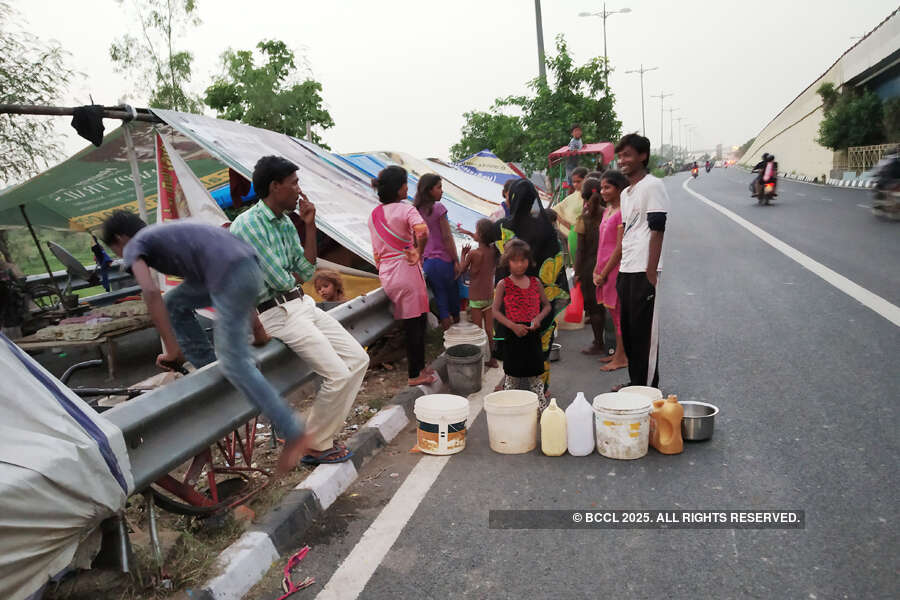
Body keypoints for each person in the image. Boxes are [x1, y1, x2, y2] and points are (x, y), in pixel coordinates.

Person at [100, 211, 309, 474]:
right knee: (174, 302)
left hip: (231, 274)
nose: (122, 257)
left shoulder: (135, 245)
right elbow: (231, 266)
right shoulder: (168, 234)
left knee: (235, 362)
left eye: (116, 250)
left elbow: (150, 292)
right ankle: (209, 365)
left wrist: (172, 349)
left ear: (120, 239)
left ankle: (292, 430)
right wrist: (258, 332)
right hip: (249, 269)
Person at [230, 156, 368, 465]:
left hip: (300, 303)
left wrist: (310, 225)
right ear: (275, 186)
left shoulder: (283, 221)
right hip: (276, 312)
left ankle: (316, 436)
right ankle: (315, 443)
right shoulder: (249, 225)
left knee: (359, 359)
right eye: (293, 184)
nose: (298, 191)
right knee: (337, 374)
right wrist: (291, 276)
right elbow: (280, 278)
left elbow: (305, 270)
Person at [494, 179, 569, 396]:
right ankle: (542, 388)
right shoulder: (546, 228)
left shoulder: (503, 227)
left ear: (513, 198)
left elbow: (499, 264)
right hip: (539, 294)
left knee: (511, 341)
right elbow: (556, 265)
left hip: (511, 296)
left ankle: (511, 383)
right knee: (540, 344)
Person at [368, 165, 437, 387]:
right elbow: (422, 231)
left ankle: (420, 367)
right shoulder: (406, 209)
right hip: (406, 269)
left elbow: (377, 253)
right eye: (405, 182)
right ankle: (415, 374)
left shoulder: (374, 214)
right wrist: (419, 251)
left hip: (387, 273)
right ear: (399, 189)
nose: (408, 187)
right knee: (415, 325)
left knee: (413, 323)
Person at [612, 133, 669, 390]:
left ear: (642, 156)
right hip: (626, 270)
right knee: (630, 332)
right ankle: (635, 384)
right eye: (620, 155)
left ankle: (647, 392)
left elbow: (657, 229)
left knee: (645, 337)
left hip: (644, 271)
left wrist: (650, 273)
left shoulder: (653, 186)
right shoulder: (625, 194)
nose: (622, 160)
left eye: (627, 155)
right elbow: (627, 232)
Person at [492, 239, 551, 408]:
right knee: (512, 378)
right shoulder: (504, 284)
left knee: (536, 379)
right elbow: (495, 311)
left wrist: (538, 318)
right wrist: (512, 326)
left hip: (532, 336)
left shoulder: (536, 283)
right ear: (507, 262)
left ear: (529, 260)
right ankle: (510, 409)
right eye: (515, 260)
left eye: (523, 260)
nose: (519, 264)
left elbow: (546, 306)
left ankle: (542, 410)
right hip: (513, 336)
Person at [593, 170, 629, 371]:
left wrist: (604, 272)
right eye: (602, 187)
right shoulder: (608, 210)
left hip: (614, 270)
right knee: (613, 314)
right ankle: (618, 353)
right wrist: (595, 271)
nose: (603, 191)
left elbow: (619, 248)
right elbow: (602, 245)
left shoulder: (623, 213)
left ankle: (622, 357)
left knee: (618, 316)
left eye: (607, 187)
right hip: (603, 270)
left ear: (618, 188)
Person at [415, 174, 460, 330]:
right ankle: (459, 335)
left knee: (441, 301)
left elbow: (416, 239)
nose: (442, 191)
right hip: (444, 261)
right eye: (439, 187)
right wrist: (456, 260)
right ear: (429, 190)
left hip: (427, 263)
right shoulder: (439, 209)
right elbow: (447, 237)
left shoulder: (416, 211)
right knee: (453, 298)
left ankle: (447, 337)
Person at [574, 177, 607, 355]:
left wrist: (577, 272)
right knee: (607, 307)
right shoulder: (609, 213)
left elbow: (580, 250)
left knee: (593, 308)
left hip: (589, 268)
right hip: (608, 266)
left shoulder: (583, 219)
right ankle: (614, 344)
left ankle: (598, 342)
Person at [460, 218, 499, 368]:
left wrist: (463, 254)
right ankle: (493, 359)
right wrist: (469, 233)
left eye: (476, 231)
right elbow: (481, 237)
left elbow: (462, 269)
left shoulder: (473, 254)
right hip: (489, 296)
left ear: (480, 235)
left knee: (478, 330)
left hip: (475, 298)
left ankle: (480, 360)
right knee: (489, 330)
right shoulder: (494, 252)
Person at [552, 166, 588, 259]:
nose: (575, 184)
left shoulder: (591, 196)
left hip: (589, 234)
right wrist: (567, 226)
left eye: (578, 181)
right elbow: (555, 210)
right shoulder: (571, 197)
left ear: (586, 179)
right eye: (573, 182)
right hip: (574, 235)